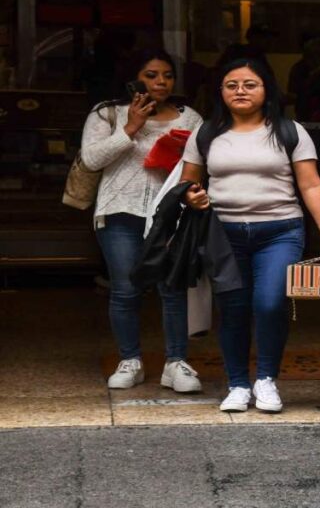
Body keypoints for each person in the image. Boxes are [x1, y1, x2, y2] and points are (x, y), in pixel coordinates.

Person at [179, 58, 320, 414]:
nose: (240, 91)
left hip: (280, 231)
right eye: (231, 84)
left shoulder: (290, 131)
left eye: (249, 84)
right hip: (223, 233)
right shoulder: (205, 133)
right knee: (233, 309)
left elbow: (311, 184)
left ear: (267, 89)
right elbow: (188, 182)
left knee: (269, 303)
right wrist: (193, 195)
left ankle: (266, 379)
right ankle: (237, 384)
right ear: (220, 91)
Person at [79, 48, 204, 392]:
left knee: (172, 289)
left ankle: (176, 363)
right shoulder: (107, 113)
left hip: (169, 215)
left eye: (167, 75)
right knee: (125, 289)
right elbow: (91, 159)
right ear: (134, 78)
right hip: (120, 211)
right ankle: (130, 360)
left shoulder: (189, 117)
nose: (161, 82)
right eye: (151, 75)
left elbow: (200, 163)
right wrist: (130, 128)